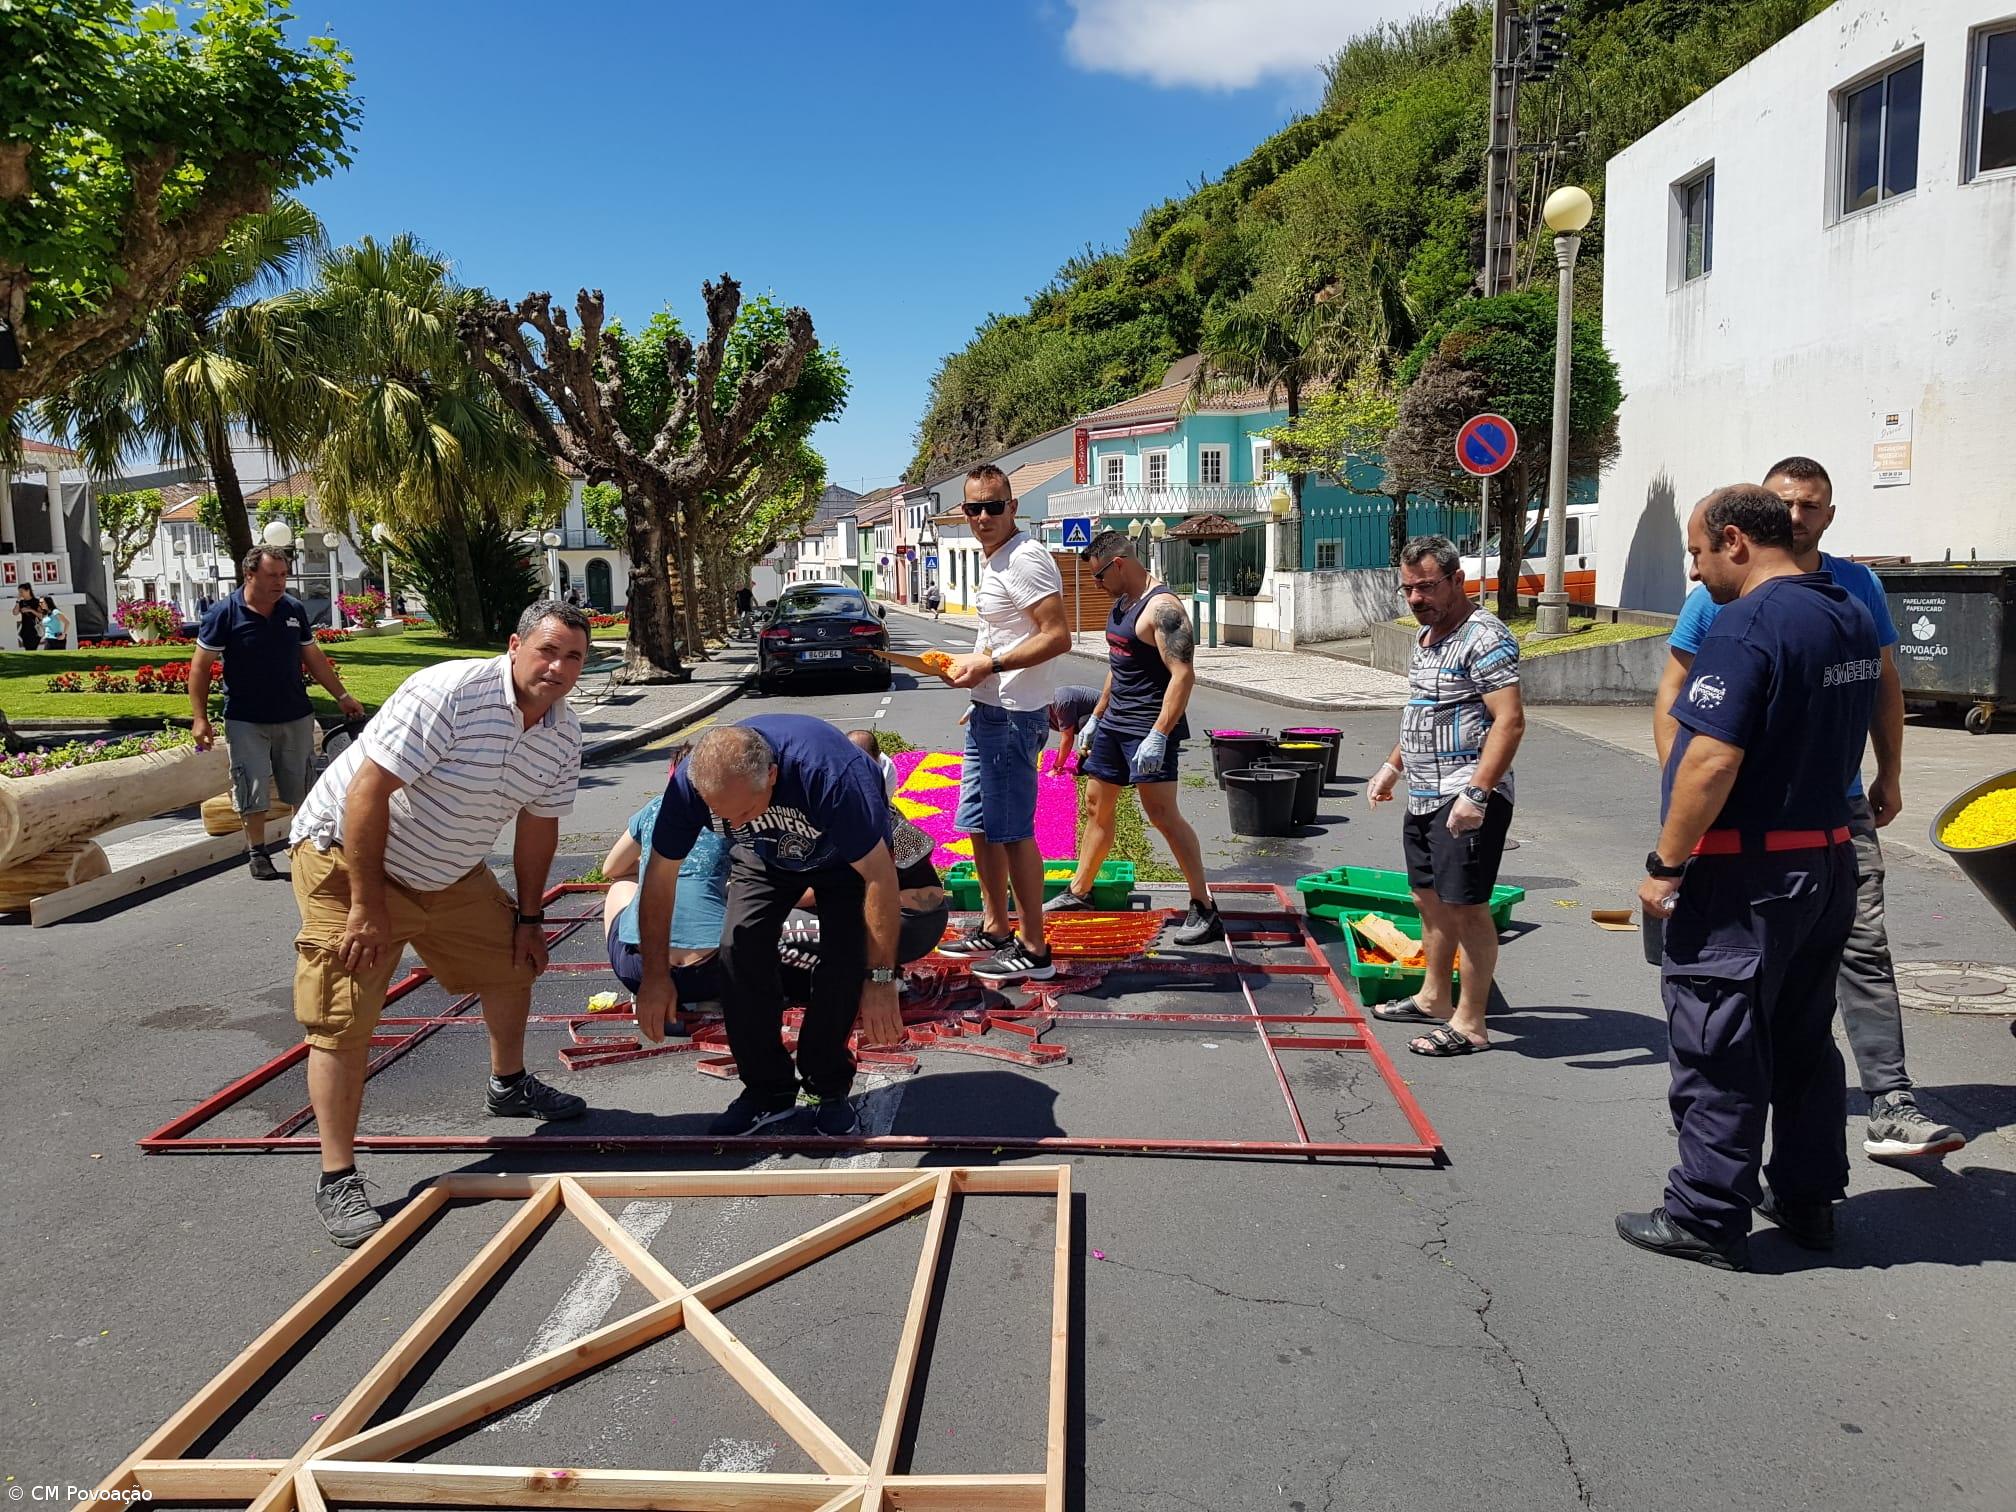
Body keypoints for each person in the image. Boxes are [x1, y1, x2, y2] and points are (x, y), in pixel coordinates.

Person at [1653, 456, 1963, 1162]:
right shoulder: (1733, 597)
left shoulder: (1841, 593)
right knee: (1779, 1005)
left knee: (1827, 966)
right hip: (1768, 828)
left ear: (1828, 515)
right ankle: (1795, 1178)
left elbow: (1881, 683)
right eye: (1784, 504)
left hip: (1816, 822)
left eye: (1809, 505)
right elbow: (1678, 698)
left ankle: (1885, 1104)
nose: (1796, 516)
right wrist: (1681, 796)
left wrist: (1889, 773)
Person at [1620, 485, 1880, 1270]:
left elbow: (1710, 759)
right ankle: (1806, 1196)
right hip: (1826, 860)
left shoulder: (1747, 623)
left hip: (1749, 874)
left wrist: (1665, 865)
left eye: (1698, 553)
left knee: (1719, 1039)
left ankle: (1706, 1215)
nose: (1695, 572)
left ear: (1735, 541)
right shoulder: (1847, 612)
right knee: (1803, 1038)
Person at [286, 599, 594, 1247]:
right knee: (342, 1015)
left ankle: (508, 1086)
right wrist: (366, 906)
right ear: (515, 645)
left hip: (445, 870)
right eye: (547, 650)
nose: (558, 667)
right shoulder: (448, 693)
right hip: (347, 860)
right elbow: (366, 792)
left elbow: (538, 829)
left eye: (573, 657)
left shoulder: (563, 733)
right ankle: (337, 1176)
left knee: (512, 960)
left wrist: (530, 917)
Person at [633, 717, 906, 1137]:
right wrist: (655, 976)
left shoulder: (831, 776)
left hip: (843, 862)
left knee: (843, 963)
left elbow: (880, 876)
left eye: (744, 811)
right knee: (738, 949)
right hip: (762, 856)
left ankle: (827, 1085)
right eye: (722, 816)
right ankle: (767, 1090)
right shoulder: (692, 785)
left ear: (773, 775)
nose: (734, 823)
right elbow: (659, 876)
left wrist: (882, 979)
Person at [1366, 535, 1526, 1056]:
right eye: (1408, 589)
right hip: (1425, 791)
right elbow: (1424, 708)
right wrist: (1393, 766)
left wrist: (1477, 794)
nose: (1416, 598)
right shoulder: (1427, 635)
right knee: (1428, 898)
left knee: (1467, 907)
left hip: (1464, 793)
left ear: (1458, 580)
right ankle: (1434, 997)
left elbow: (1509, 720)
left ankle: (1471, 1023)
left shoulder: (1484, 636)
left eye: (1427, 587)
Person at [1045, 534, 1223, 945]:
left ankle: (1204, 906)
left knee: (1162, 815)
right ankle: (1080, 892)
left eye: (1099, 576)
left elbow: (1183, 675)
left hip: (1147, 726)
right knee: (1096, 807)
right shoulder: (1122, 602)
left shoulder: (1163, 609)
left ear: (1120, 563)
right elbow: (1118, 663)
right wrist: (1097, 716)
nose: (1095, 584)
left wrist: (1158, 735)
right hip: (1114, 724)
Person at [932, 463, 1071, 984]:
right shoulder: (995, 560)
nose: (983, 516)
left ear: (1013, 507)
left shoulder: (1026, 558)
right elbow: (998, 634)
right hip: (990, 711)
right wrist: (974, 679)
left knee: (1012, 833)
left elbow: (1057, 636)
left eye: (994, 506)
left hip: (1014, 719)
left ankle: (1034, 947)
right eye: (974, 508)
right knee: (980, 826)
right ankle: (994, 927)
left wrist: (989, 666)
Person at [192, 547, 365, 881]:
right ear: (250, 575)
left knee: (301, 785)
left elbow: (312, 656)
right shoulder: (224, 613)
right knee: (251, 787)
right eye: (272, 575)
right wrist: (200, 717)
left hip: (294, 714)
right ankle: (257, 853)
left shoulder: (292, 609)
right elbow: (200, 667)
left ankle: (302, 850)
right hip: (246, 718)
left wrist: (342, 696)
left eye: (284, 575)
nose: (280, 582)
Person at [1044, 683, 1102, 777]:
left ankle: (1092, 761)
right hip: (1087, 714)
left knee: (1084, 723)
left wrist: (1056, 768)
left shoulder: (1061, 703)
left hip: (1107, 716)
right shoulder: (1046, 706)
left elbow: (1067, 738)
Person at [17, 585, 41, 651]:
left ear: (28, 590)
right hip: (25, 631)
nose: (20, 593)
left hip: (35, 630)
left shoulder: (36, 601)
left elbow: (41, 615)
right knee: (28, 649)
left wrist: (30, 610)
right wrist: (18, 601)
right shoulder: (21, 602)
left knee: (32, 649)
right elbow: (15, 613)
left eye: (21, 591)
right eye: (19, 592)